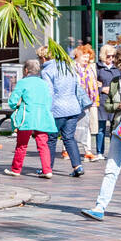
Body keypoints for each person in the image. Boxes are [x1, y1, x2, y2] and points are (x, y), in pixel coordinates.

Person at [82, 47, 121, 220]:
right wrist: (118, 106)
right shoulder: (116, 82)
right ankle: (100, 207)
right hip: (119, 132)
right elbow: (107, 106)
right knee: (111, 170)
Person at [5, 58, 57, 179]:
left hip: (26, 117)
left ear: (26, 70)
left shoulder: (23, 83)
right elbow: (49, 100)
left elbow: (12, 102)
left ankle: (16, 169)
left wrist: (16, 104)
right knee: (43, 144)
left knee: (22, 144)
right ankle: (47, 170)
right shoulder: (44, 83)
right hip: (43, 117)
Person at [41, 48, 89, 177]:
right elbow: (76, 86)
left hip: (57, 109)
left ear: (44, 58)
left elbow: (48, 92)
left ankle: (48, 168)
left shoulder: (47, 70)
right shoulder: (68, 67)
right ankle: (78, 166)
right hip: (73, 107)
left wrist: (46, 110)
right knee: (69, 137)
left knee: (51, 139)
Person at [95, 43, 121, 161]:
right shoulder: (97, 67)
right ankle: (99, 152)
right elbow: (92, 85)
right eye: (108, 56)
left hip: (114, 101)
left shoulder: (117, 68)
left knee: (114, 128)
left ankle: (114, 152)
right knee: (100, 128)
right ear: (103, 56)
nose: (110, 58)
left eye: (112, 56)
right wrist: (101, 89)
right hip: (101, 101)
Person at [73, 44, 99, 162]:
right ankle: (66, 149)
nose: (86, 59)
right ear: (78, 56)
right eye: (84, 56)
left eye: (88, 57)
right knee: (72, 126)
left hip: (88, 101)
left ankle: (87, 151)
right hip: (75, 101)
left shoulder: (91, 68)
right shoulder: (72, 68)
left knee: (87, 125)